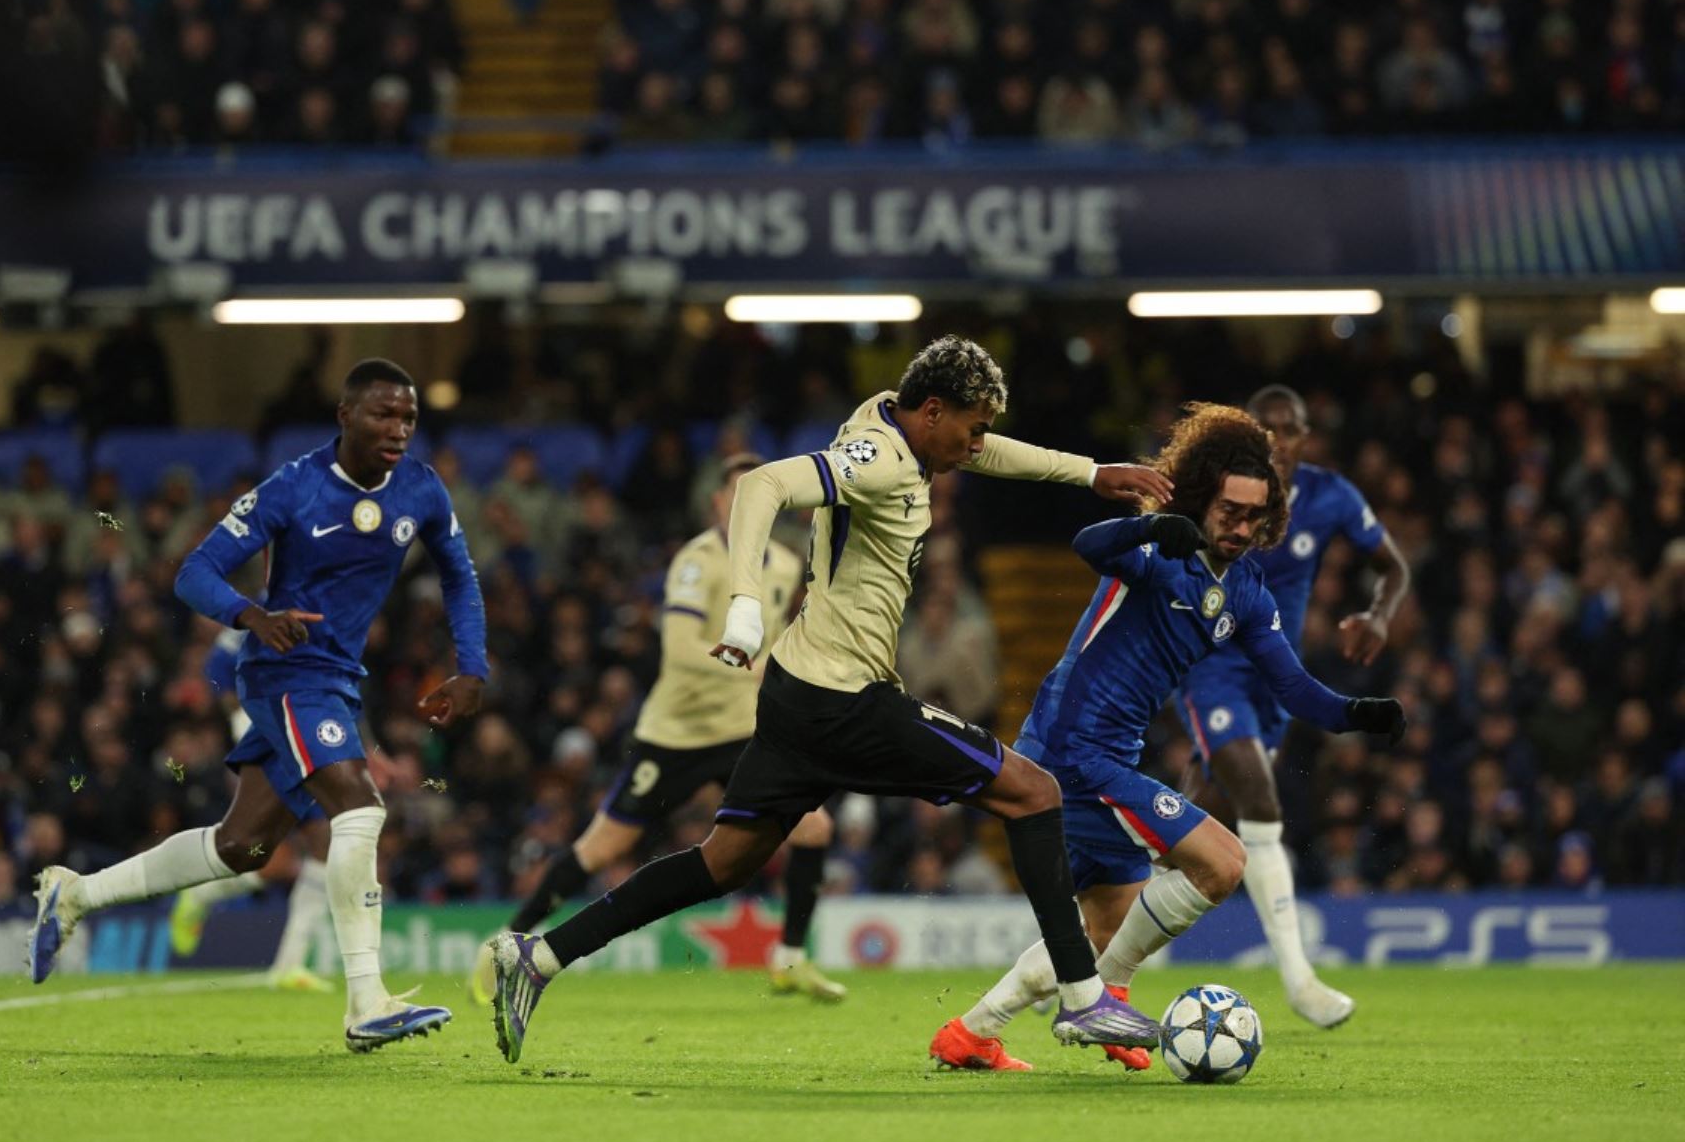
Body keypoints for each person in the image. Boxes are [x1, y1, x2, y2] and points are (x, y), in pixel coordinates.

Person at [483, 335, 1176, 1064]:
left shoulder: (892, 421)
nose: (979, 444)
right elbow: (760, 487)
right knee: (1033, 793)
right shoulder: (878, 458)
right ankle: (1081, 996)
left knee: (724, 862)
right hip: (845, 700)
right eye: (972, 426)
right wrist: (746, 604)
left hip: (796, 691)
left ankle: (540, 957)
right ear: (932, 411)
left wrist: (1090, 473)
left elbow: (988, 452)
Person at [29, 359, 490, 1054]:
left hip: (336, 678)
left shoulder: (421, 491)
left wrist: (472, 666)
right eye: (383, 415)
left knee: (239, 847)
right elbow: (194, 572)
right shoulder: (294, 488)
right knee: (360, 810)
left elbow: (460, 576)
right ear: (345, 416)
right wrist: (251, 615)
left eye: (408, 419)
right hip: (285, 673)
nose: (398, 430)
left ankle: (75, 896)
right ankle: (367, 1001)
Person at [931, 403, 1404, 1073]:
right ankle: (1100, 1001)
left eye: (1255, 515)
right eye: (1231, 510)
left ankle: (974, 1033)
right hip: (1074, 748)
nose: (1242, 527)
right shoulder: (1159, 552)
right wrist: (1152, 525)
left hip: (1112, 753)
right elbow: (1088, 547)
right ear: (1204, 497)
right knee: (1223, 862)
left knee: (1105, 929)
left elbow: (1293, 688)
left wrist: (1358, 713)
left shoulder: (1246, 591)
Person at [471, 453, 846, 1004]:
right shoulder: (697, 561)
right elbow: (678, 649)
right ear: (718, 504)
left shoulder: (786, 564)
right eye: (736, 496)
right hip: (676, 734)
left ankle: (789, 957)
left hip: (744, 730)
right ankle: (506, 943)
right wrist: (756, 662)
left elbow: (783, 632)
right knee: (602, 846)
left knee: (815, 829)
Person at [1175, 385, 1410, 1027]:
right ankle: (1300, 981)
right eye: (1267, 429)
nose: (1279, 441)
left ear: (1307, 436)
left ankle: (1097, 954)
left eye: (1291, 429)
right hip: (1211, 667)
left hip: (1276, 678)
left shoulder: (1331, 497)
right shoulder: (1219, 495)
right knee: (1258, 800)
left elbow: (1393, 567)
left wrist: (1378, 616)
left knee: (1202, 818)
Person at [166, 627, 334, 993]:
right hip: (267, 737)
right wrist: (246, 721)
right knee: (265, 849)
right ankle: (199, 895)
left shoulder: (314, 610)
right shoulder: (252, 618)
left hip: (302, 734)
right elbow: (218, 667)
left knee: (308, 847)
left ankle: (289, 963)